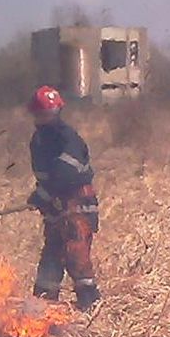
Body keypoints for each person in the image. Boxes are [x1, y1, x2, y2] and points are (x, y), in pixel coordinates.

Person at [25, 85, 102, 311]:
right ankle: (41, 308)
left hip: (78, 206)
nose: (43, 118)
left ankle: (91, 307)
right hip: (56, 208)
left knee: (75, 254)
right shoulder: (38, 141)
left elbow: (65, 174)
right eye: (39, 113)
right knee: (51, 256)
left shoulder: (67, 138)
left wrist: (44, 194)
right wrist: (41, 196)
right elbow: (46, 177)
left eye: (47, 113)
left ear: (57, 111)